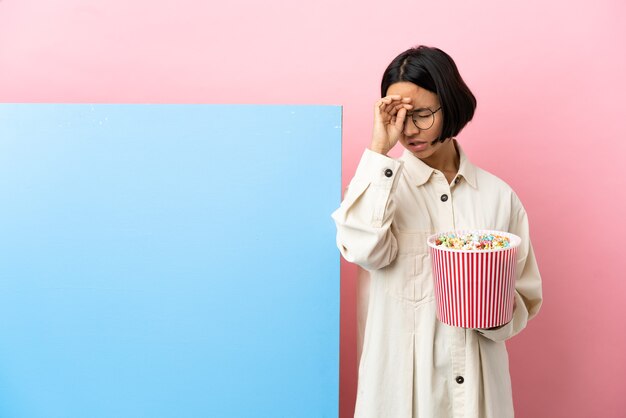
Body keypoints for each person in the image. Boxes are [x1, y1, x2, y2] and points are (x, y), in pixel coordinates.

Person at [331, 46, 543, 418]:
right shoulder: (378, 189)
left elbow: (524, 297)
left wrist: (494, 312)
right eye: (400, 116)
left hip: (478, 396)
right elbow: (362, 248)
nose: (410, 130)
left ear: (451, 105)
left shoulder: (498, 196)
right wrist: (379, 147)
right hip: (401, 396)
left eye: (423, 115)